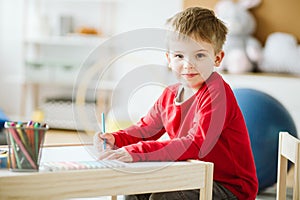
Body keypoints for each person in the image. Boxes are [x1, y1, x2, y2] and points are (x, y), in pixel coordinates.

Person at [94, 7, 258, 200]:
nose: (188, 64)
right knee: (135, 191)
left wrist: (135, 151)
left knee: (162, 198)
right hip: (193, 175)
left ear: (217, 58)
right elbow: (146, 129)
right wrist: (116, 139)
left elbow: (196, 144)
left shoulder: (217, 92)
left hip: (230, 187)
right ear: (169, 59)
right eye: (179, 56)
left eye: (199, 55)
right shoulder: (170, 94)